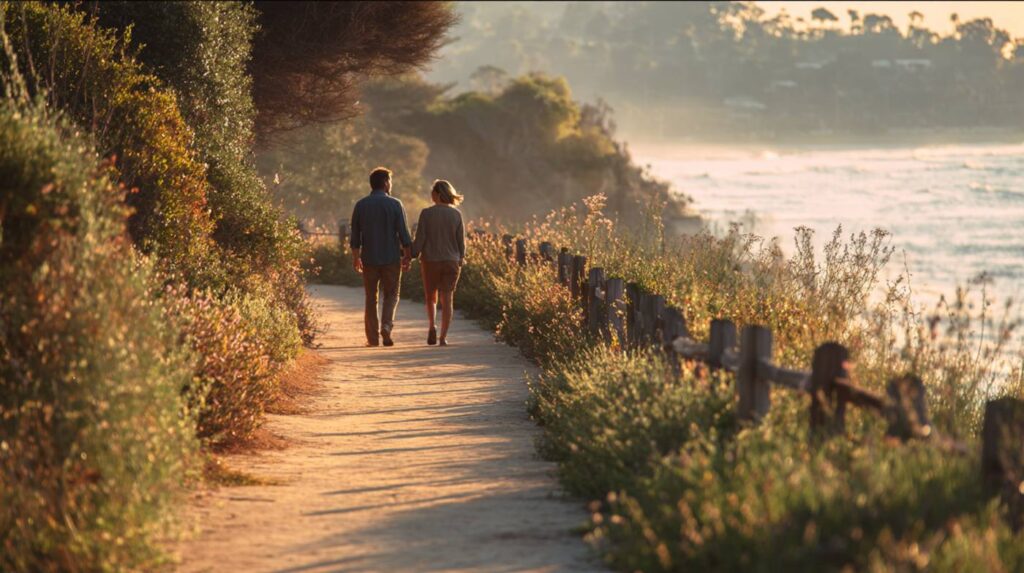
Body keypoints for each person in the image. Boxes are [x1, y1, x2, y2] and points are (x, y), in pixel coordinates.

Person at [349, 167, 412, 347]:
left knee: (371, 298)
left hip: (369, 259)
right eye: (390, 181)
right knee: (391, 295)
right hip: (391, 258)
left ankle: (372, 339)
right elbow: (404, 235)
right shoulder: (395, 204)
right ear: (385, 183)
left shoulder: (361, 205)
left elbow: (355, 237)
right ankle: (386, 325)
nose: (390, 184)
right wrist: (407, 257)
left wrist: (356, 257)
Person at [412, 179, 466, 346]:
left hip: (430, 261)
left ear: (436, 194)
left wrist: (411, 254)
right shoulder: (456, 214)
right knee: (448, 299)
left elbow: (420, 239)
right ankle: (443, 337)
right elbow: (460, 242)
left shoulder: (426, 213)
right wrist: (461, 257)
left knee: (431, 297)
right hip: (451, 261)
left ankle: (432, 326)